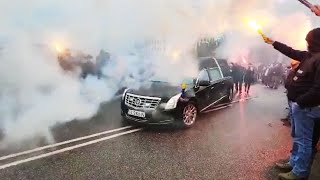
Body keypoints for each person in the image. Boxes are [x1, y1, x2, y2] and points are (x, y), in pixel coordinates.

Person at [263, 28, 320, 180]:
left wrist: (299, 102)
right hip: (299, 106)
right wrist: (273, 42)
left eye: (309, 40)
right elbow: (291, 51)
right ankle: (294, 162)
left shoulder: (318, 59)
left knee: (304, 141)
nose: (307, 43)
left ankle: (299, 171)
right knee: (297, 136)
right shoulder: (309, 56)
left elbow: (318, 89)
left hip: (306, 108)